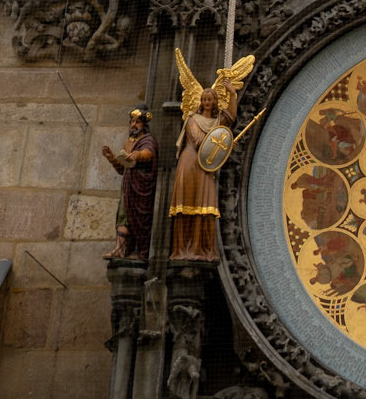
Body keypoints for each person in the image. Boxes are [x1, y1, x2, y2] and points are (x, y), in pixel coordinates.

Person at [169, 49, 255, 261]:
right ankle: (182, 250)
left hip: (205, 167)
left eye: (211, 99)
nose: (207, 102)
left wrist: (232, 93)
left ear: (215, 102)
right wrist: (222, 145)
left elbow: (231, 118)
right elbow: (200, 142)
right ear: (200, 101)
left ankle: (203, 249)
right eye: (205, 99)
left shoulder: (217, 122)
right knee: (186, 204)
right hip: (190, 163)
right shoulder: (191, 120)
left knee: (206, 207)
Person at [101, 108, 158, 260]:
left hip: (141, 187)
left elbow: (148, 154)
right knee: (123, 216)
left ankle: (140, 251)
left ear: (144, 125)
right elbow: (122, 169)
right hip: (128, 185)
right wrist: (112, 158)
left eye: (137, 122)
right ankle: (119, 249)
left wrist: (138, 155)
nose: (134, 125)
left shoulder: (148, 140)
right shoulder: (128, 143)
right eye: (132, 122)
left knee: (139, 218)